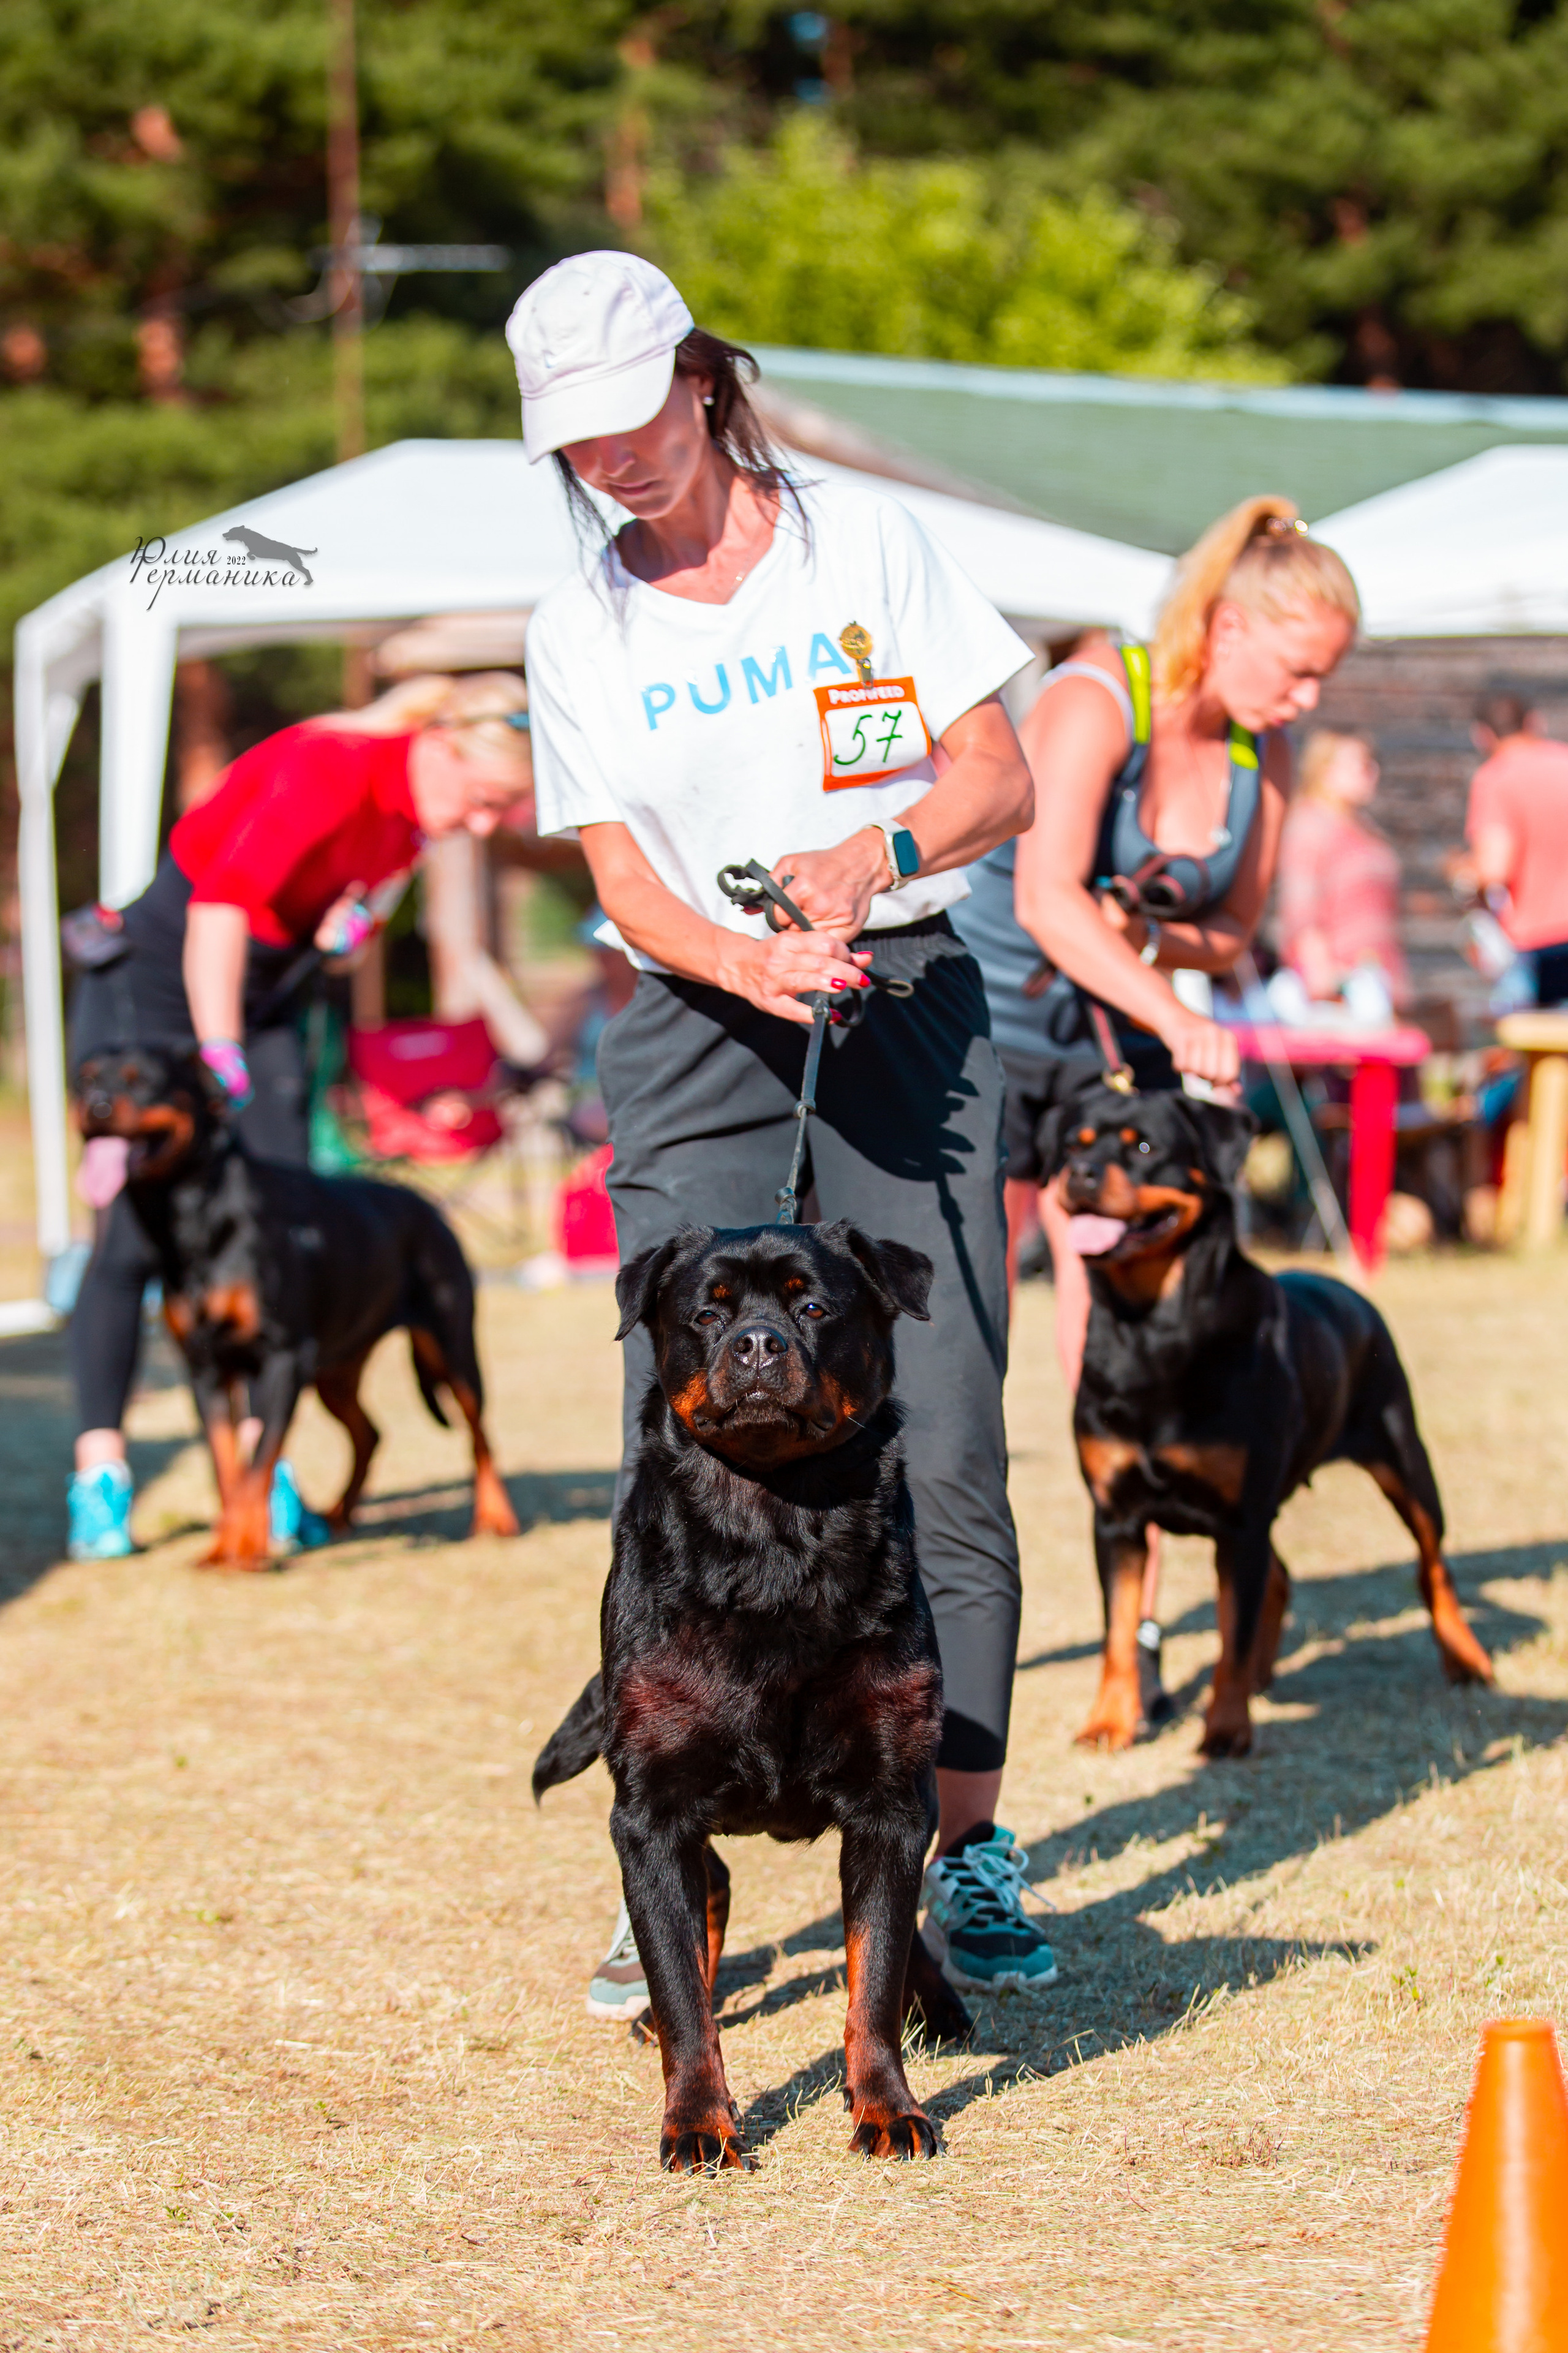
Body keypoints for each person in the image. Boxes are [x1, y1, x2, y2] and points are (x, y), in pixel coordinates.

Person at [510, 249, 1056, 2008]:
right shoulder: (577, 619)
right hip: (690, 1017)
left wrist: (876, 857)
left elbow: (999, 774)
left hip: (898, 998)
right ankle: (664, 1839)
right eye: (573, 444)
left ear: (698, 378)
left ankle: (964, 1847)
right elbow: (618, 877)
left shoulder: (863, 546)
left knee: (946, 1439)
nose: (613, 463)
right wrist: (746, 952)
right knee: (677, 1444)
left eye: (629, 422)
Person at [951, 496, 1360, 1729]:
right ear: (1225, 625)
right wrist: (1175, 1014)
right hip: (978, 1042)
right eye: (1295, 673)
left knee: (1120, 1337)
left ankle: (1128, 1623)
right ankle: (936, 1607)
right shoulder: (1094, 696)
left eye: (1319, 683)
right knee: (961, 1333)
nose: (1303, 703)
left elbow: (1227, 934)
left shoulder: (1257, 754)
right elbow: (1042, 898)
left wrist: (1158, 947)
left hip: (1105, 1053)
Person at [64, 672, 533, 1563]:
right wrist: (216, 1052)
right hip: (165, 979)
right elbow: (219, 906)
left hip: (264, 990)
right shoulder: (332, 767)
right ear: (441, 746)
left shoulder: (413, 814)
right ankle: (101, 1475)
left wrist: (347, 928)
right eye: (483, 803)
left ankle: (258, 1470)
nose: (477, 826)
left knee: (283, 1217)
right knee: (131, 1233)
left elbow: (354, 894)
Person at [1275, 728, 1408, 1021]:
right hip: (1343, 986)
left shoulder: (1362, 827)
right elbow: (1302, 908)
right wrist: (1320, 976)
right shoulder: (1310, 825)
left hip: (1376, 977)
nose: (1372, 773)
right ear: (1325, 769)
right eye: (1362, 765)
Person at [1463, 687, 1568, 1008]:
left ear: (1482, 735)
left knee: (1534, 1046)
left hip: (1543, 943)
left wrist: (1464, 876)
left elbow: (1494, 869)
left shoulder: (1497, 778)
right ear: (1535, 722)